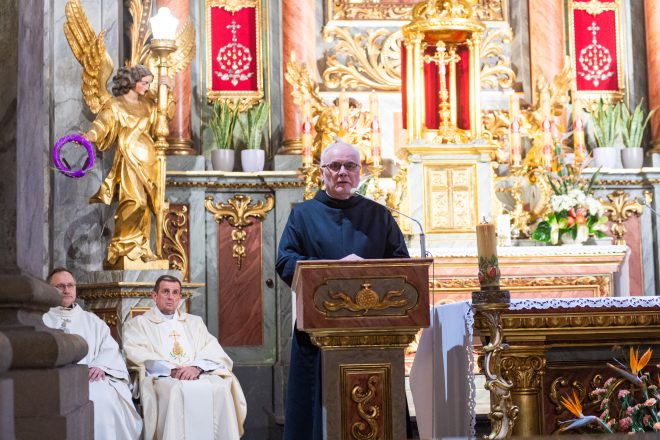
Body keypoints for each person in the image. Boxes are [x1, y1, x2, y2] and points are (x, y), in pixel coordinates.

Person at [276, 142, 410, 440]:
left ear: (359, 172)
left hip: (374, 332)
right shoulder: (303, 215)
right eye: (334, 166)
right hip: (319, 332)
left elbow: (402, 265)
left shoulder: (380, 215)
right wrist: (332, 267)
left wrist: (367, 271)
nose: (342, 172)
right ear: (322, 173)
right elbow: (285, 260)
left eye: (349, 166)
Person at [122, 275, 247, 440]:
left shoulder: (194, 322)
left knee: (221, 388)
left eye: (175, 293)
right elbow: (136, 352)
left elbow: (213, 350)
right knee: (175, 390)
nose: (170, 297)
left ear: (180, 297)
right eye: (165, 292)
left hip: (196, 373)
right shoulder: (139, 324)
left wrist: (195, 368)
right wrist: (171, 370)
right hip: (163, 377)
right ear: (154, 296)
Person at [43, 267, 142, 440]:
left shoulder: (93, 321)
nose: (66, 290)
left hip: (91, 378)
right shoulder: (40, 318)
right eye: (60, 286)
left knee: (102, 399)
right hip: (53, 379)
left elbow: (109, 349)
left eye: (70, 285)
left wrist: (100, 366)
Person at [85, 64, 167, 267]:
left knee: (148, 206)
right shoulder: (116, 105)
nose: (147, 88)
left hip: (149, 161)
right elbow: (102, 124)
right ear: (132, 82)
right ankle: (123, 245)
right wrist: (89, 136)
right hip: (129, 160)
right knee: (134, 201)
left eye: (149, 83)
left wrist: (168, 93)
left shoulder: (148, 105)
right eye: (144, 83)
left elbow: (162, 123)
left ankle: (141, 247)